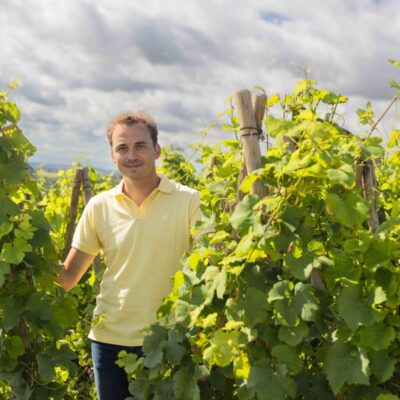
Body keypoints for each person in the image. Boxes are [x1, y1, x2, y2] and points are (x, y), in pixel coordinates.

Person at [57, 112, 201, 400]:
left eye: (140, 146)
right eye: (122, 148)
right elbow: (69, 277)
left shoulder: (188, 201)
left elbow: (208, 268)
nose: (131, 155)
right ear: (112, 155)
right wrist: (27, 264)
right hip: (109, 342)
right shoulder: (99, 206)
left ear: (156, 150)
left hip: (167, 340)